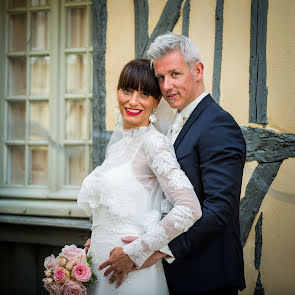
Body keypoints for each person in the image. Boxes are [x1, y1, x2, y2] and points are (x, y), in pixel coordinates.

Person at [108, 33, 247, 295]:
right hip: (175, 277)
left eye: (174, 74)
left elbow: (219, 209)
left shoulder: (218, 124)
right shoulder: (176, 122)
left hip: (206, 277)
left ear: (197, 70)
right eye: (160, 77)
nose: (166, 85)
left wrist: (156, 250)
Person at [78, 58, 202, 295]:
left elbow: (189, 207)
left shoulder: (154, 143)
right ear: (117, 92)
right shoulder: (116, 148)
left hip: (130, 276)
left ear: (157, 102)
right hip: (100, 270)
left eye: (145, 94)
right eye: (127, 90)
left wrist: (135, 251)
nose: (133, 101)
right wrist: (98, 238)